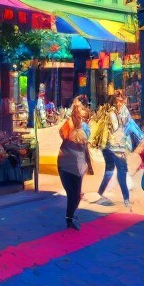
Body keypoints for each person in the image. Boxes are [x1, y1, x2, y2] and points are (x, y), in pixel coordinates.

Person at [57, 98, 94, 230]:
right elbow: (63, 135)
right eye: (81, 108)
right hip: (66, 163)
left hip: (78, 164)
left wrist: (89, 164)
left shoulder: (85, 127)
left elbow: (85, 146)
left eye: (84, 108)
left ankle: (70, 218)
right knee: (72, 194)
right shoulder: (69, 123)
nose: (84, 110)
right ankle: (69, 220)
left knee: (76, 195)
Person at [93, 93, 131, 211]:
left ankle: (100, 193)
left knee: (109, 170)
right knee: (121, 172)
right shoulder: (113, 114)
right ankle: (126, 199)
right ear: (114, 102)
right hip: (115, 147)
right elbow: (116, 128)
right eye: (118, 101)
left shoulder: (104, 112)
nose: (120, 103)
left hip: (106, 146)